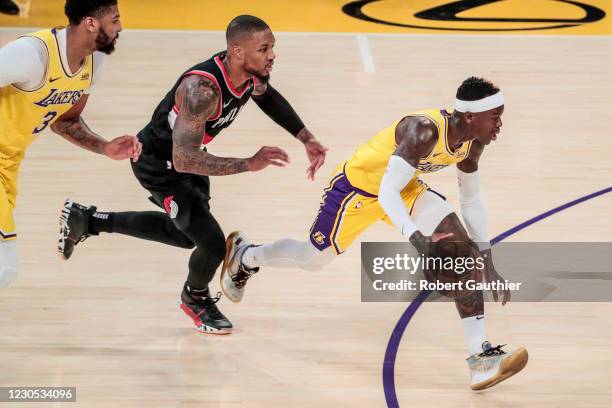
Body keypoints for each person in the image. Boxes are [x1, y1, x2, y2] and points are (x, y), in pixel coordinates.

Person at [222, 77, 528, 390]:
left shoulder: (473, 143)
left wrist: (486, 257)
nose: (500, 125)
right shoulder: (424, 130)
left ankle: (480, 359)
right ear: (470, 117)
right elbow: (385, 193)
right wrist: (418, 240)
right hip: (356, 190)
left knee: (461, 252)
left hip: (404, 189)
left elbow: (471, 199)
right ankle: (246, 255)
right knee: (311, 259)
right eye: (495, 117)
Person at [58, 15, 328, 335]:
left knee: (185, 235)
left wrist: (305, 136)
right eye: (264, 48)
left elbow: (265, 95)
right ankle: (194, 299)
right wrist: (248, 163)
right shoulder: (201, 90)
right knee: (212, 244)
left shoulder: (249, 73)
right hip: (159, 164)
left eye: (272, 48)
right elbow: (184, 160)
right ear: (238, 52)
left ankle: (87, 220)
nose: (272, 55)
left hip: (190, 159)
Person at [0, 0, 141, 288]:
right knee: (5, 267)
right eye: (115, 20)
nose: (121, 27)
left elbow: (65, 121)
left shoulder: (94, 60)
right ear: (91, 23)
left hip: (9, 164)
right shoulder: (31, 55)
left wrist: (104, 147)